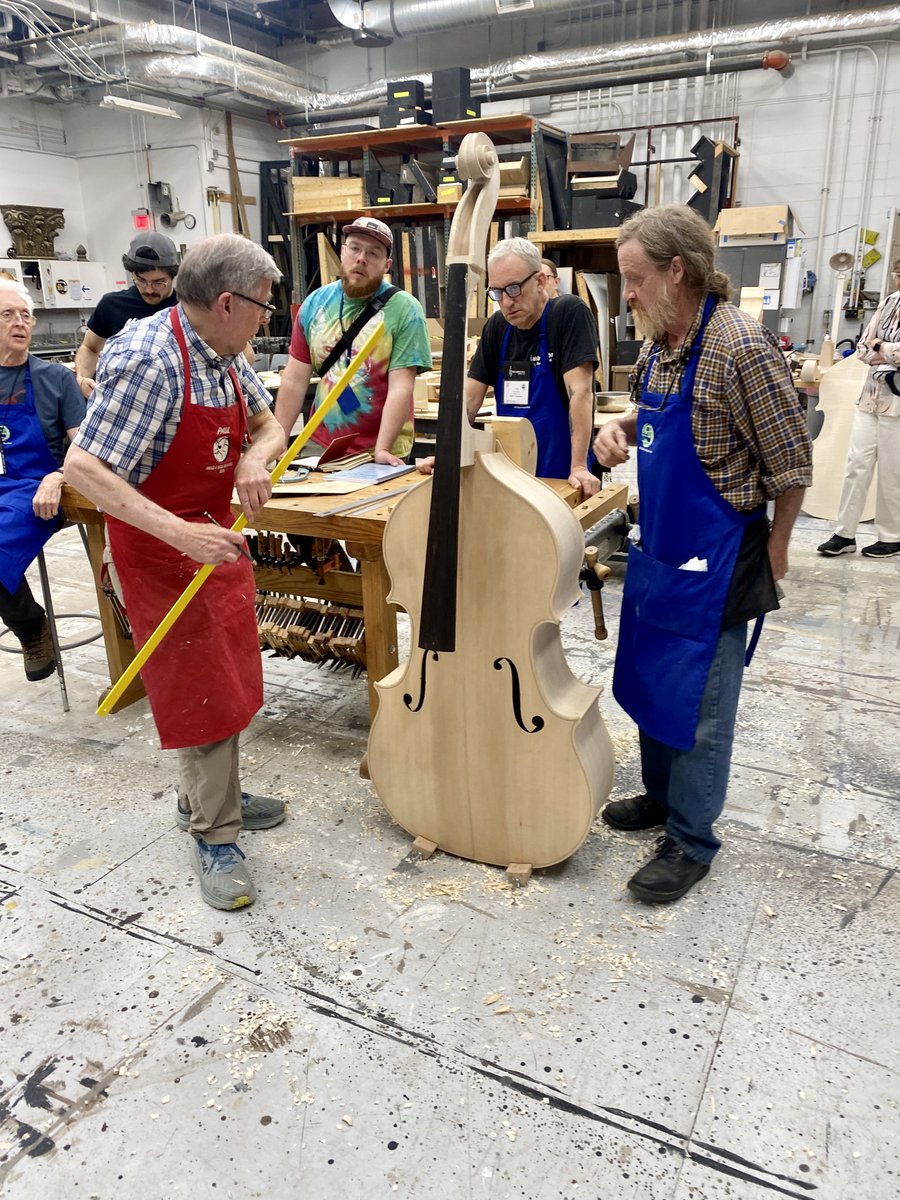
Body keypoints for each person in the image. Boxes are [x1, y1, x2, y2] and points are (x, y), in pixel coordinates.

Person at [593, 205, 812, 904]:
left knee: (702, 705)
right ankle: (662, 800)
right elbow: (654, 416)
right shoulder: (662, 343)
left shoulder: (740, 348)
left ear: (676, 271)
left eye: (633, 278)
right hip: (661, 551)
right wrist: (619, 429)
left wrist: (777, 549)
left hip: (718, 560)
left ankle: (691, 839)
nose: (625, 293)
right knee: (657, 684)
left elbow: (792, 465)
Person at [65, 234, 287, 912]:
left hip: (211, 542)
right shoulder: (148, 360)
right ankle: (213, 835)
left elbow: (271, 423)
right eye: (263, 308)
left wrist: (256, 457)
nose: (265, 320)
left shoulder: (221, 350)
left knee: (229, 679)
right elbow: (84, 470)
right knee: (199, 693)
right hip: (161, 552)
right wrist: (176, 532)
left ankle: (207, 791)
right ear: (226, 302)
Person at [274, 216, 431, 463]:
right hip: (323, 444)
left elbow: (401, 387)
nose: (361, 258)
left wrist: (382, 450)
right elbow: (294, 380)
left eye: (373, 253)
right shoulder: (315, 304)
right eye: (355, 248)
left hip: (379, 449)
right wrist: (278, 439)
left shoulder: (405, 310)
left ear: (386, 265)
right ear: (343, 251)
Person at [466, 237, 601, 497]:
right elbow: (470, 399)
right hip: (510, 479)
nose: (506, 302)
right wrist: (449, 454)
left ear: (540, 281)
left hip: (562, 477)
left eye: (514, 288)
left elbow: (581, 392)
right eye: (497, 292)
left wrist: (579, 466)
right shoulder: (497, 327)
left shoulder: (567, 313)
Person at [0, 280, 85, 681]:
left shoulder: (55, 379)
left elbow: (88, 453)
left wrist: (58, 475)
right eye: (7, 315)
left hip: (38, 486)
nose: (20, 323)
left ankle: (31, 627)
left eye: (25, 315)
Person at [817, 255, 900, 559]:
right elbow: (863, 347)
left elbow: (880, 348)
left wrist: (882, 348)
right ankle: (844, 533)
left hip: (898, 403)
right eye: (897, 273)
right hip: (871, 396)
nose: (897, 279)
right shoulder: (890, 301)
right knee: (857, 466)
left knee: (893, 472)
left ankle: (892, 536)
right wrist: (881, 350)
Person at [74, 232, 179, 399]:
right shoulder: (112, 305)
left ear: (173, 276)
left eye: (159, 282)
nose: (149, 289)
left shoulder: (186, 308)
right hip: (123, 402)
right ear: (132, 274)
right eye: (141, 280)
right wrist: (82, 378)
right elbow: (90, 348)